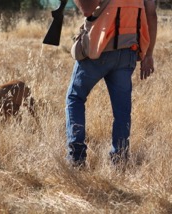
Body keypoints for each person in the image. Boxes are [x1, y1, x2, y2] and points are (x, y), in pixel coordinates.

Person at [65, 0, 157, 167]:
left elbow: (87, 9)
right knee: (122, 112)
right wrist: (148, 54)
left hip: (99, 49)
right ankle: (119, 161)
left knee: (75, 98)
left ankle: (76, 158)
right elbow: (151, 15)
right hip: (128, 51)